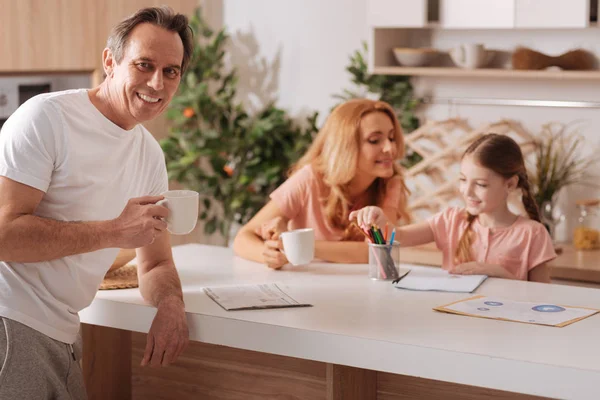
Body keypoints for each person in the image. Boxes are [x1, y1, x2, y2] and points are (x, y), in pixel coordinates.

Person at [0, 6, 194, 399]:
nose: (157, 82)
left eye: (171, 71)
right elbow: (4, 234)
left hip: (65, 331)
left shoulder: (149, 155)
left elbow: (155, 262)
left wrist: (171, 304)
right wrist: (114, 231)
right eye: (143, 65)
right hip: (11, 323)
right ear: (110, 61)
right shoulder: (46, 118)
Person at [350, 133, 555, 283]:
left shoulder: (532, 234)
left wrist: (499, 274)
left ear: (510, 184)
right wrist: (379, 219)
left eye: (481, 184)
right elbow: (398, 236)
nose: (467, 191)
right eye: (463, 180)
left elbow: (543, 300)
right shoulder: (451, 220)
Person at [233, 99, 411, 269]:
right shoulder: (309, 179)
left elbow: (376, 250)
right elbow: (242, 238)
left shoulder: (389, 184)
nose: (390, 148)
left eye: (392, 137)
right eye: (374, 140)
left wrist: (297, 245)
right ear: (345, 146)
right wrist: (268, 254)